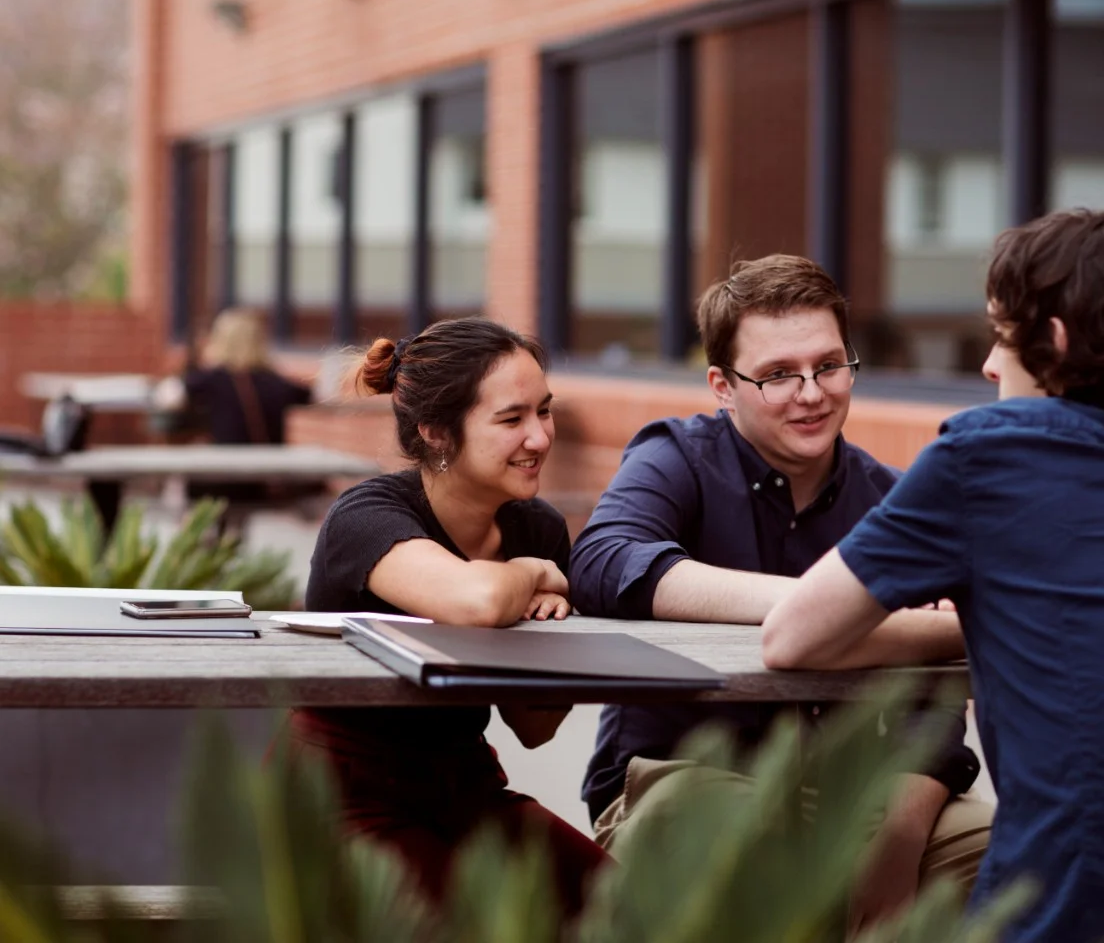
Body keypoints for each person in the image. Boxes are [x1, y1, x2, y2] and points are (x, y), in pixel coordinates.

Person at [762, 210, 1104, 942]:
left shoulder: (989, 459)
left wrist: (958, 628)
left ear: (1057, 341)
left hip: (1066, 912)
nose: (989, 365)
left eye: (1002, 336)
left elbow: (792, 637)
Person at [570, 254, 991, 926]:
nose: (812, 392)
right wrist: (816, 607)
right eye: (776, 375)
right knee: (737, 839)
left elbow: (931, 703)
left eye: (828, 365)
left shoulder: (890, 497)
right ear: (721, 385)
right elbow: (603, 560)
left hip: (849, 793)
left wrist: (902, 840)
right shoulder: (675, 456)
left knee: (1006, 850)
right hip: (681, 780)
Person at [291, 316, 609, 918]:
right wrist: (536, 576)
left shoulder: (534, 526)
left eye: (545, 411)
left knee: (630, 908)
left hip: (467, 789)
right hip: (343, 797)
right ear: (437, 431)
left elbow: (535, 728)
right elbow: (476, 601)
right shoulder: (366, 517)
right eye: (512, 419)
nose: (540, 437)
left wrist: (549, 632)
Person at [154, 308, 315, 530]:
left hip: (221, 481)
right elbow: (315, 394)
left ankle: (202, 549)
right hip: (263, 482)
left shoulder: (211, 378)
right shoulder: (276, 382)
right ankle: (230, 546)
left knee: (190, 478)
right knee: (233, 518)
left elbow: (167, 396)